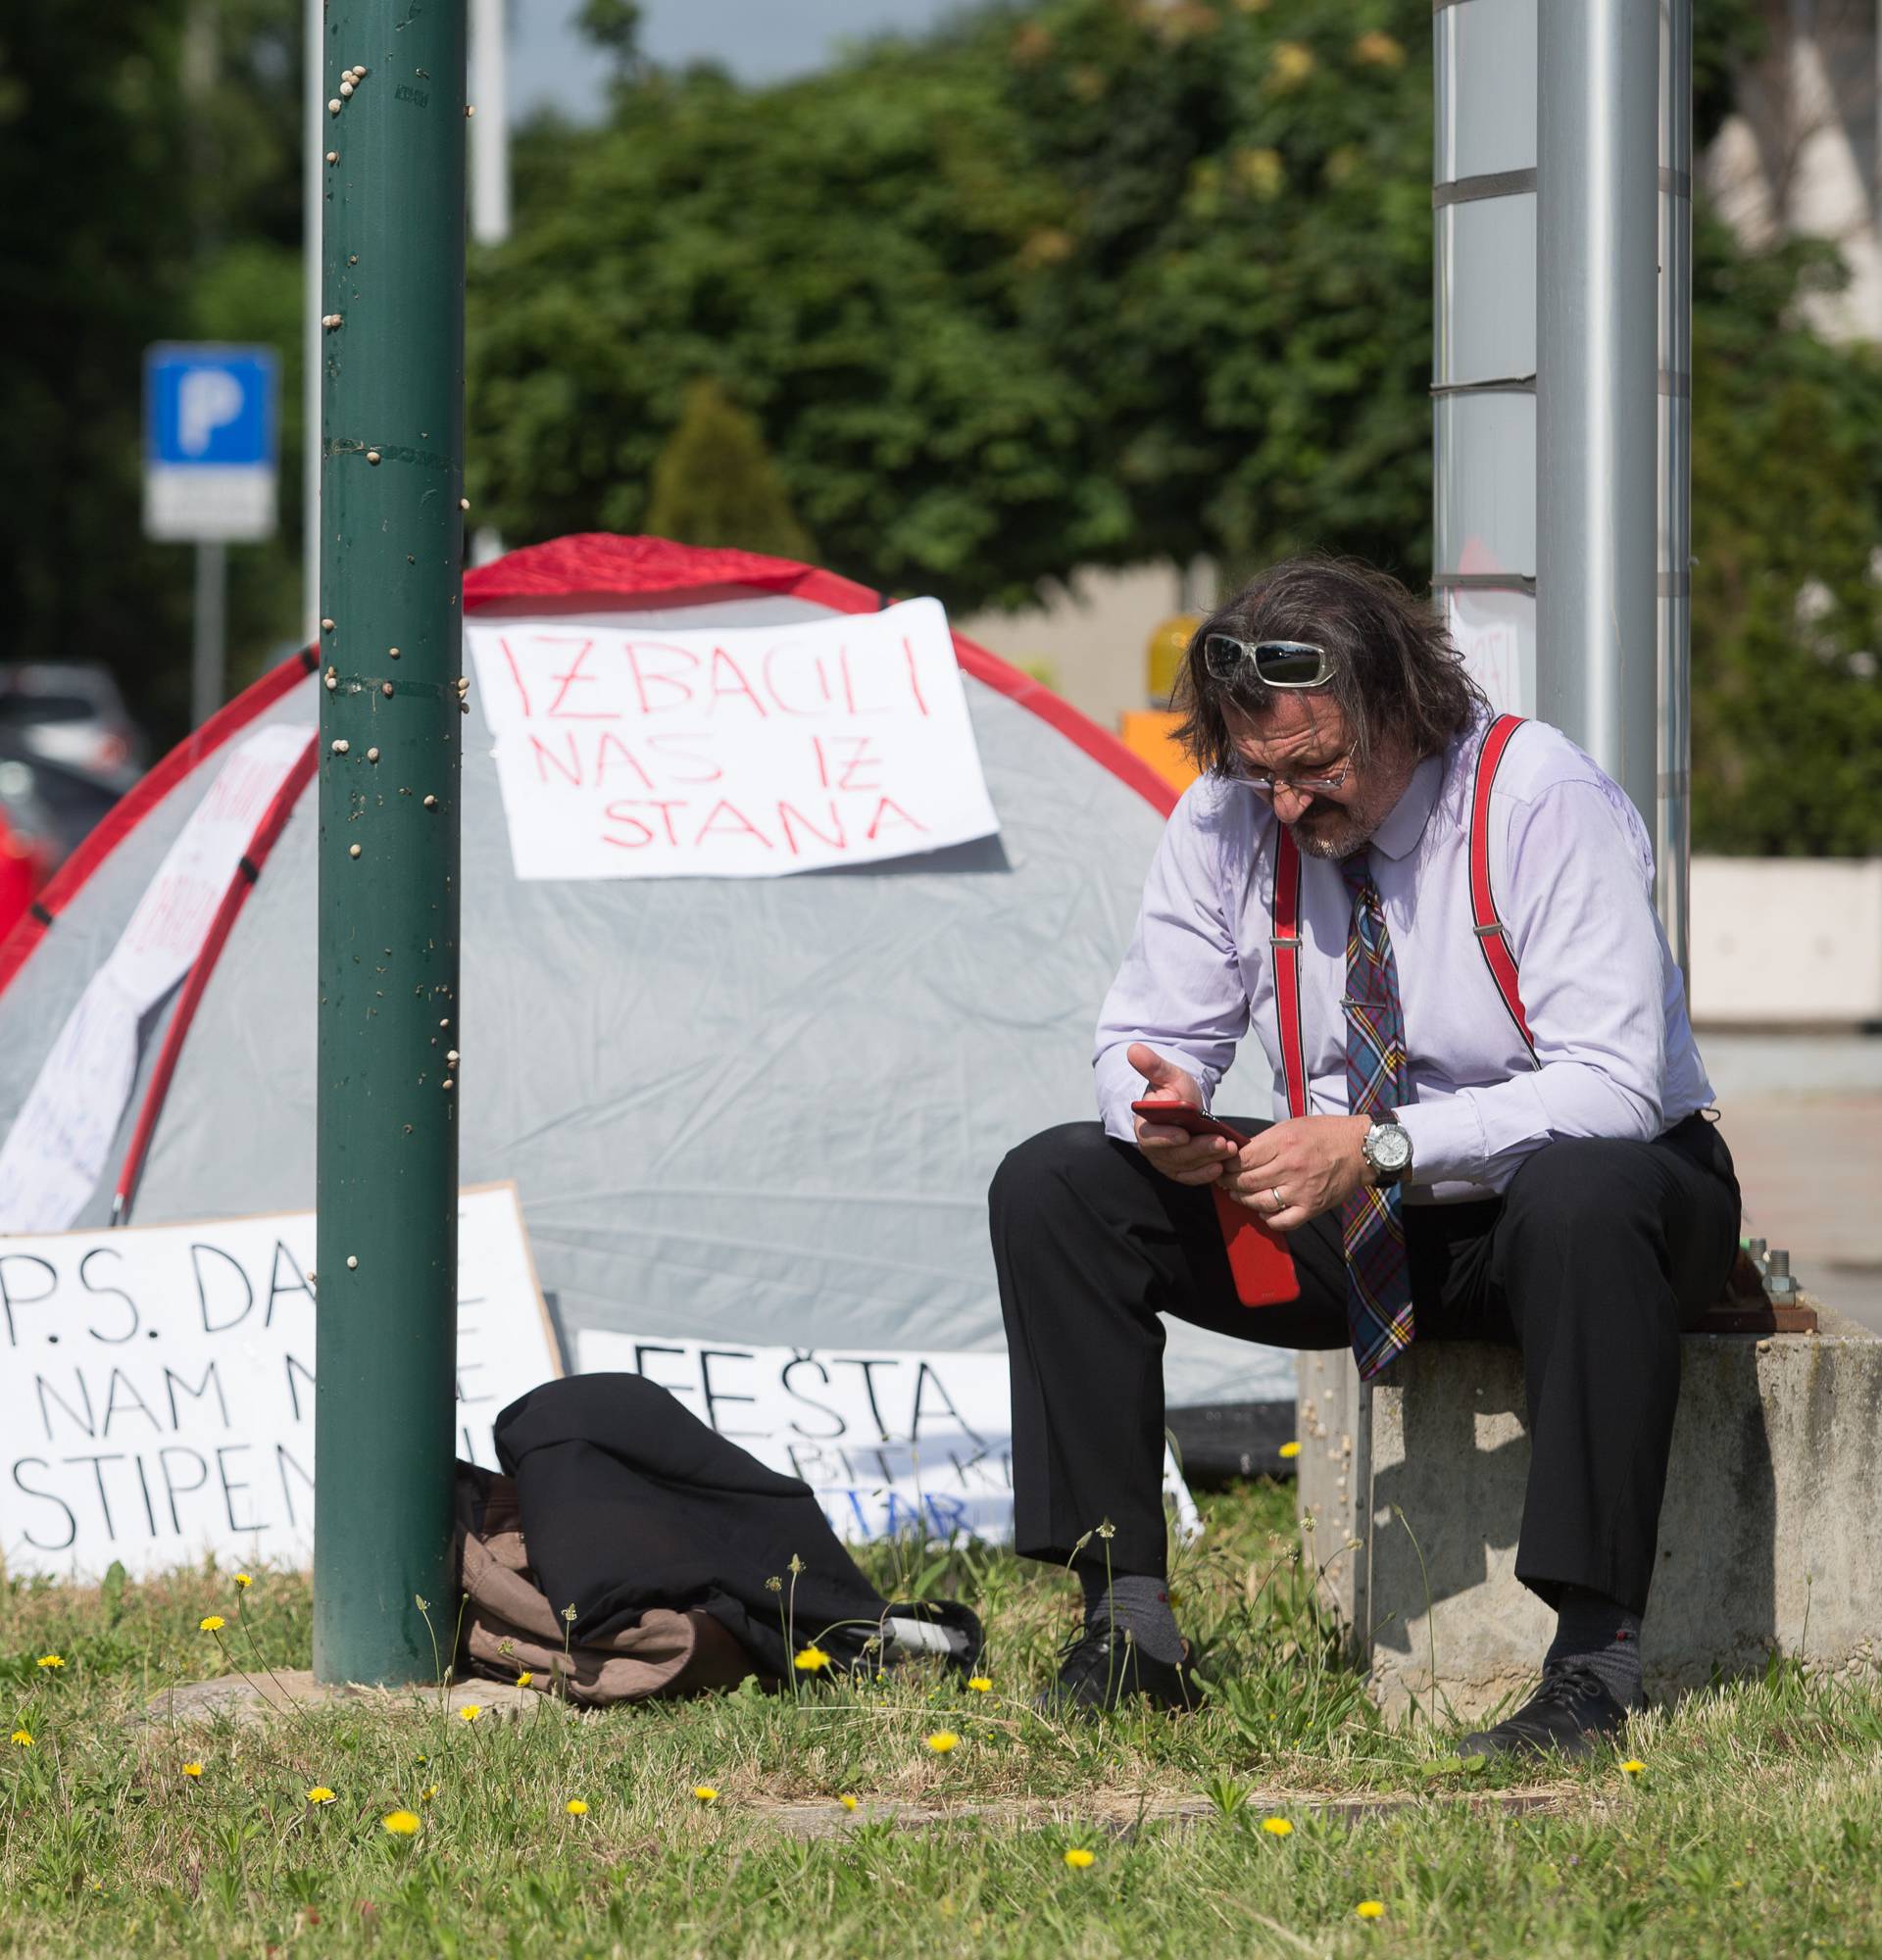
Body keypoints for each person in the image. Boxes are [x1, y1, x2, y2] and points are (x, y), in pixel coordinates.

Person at [989, 556, 1739, 1758]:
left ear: (1403, 711)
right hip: (1366, 1221)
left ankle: (1596, 1662)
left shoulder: (1537, 796)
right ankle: (1127, 1623)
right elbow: (1146, 1030)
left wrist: (1379, 1143)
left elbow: (1612, 1087)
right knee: (1058, 1181)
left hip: (1595, 1201)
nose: (1285, 805)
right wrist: (1162, 1108)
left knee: (1583, 1190)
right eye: (1260, 772)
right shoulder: (1225, 812)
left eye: (1316, 770)